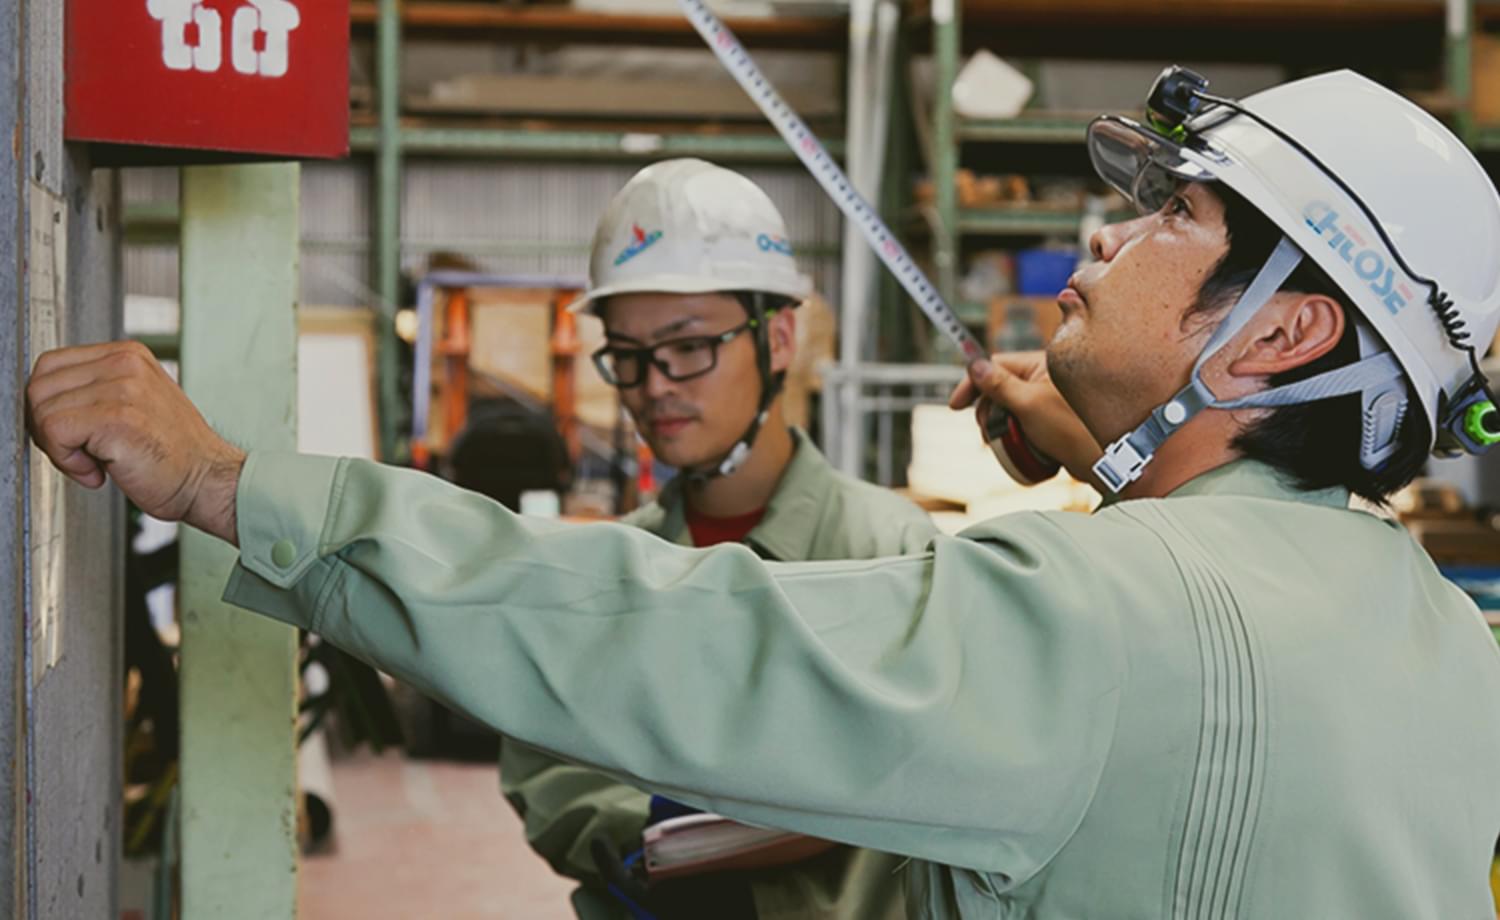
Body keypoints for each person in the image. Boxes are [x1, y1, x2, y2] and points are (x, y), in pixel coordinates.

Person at [27, 68, 1500, 918]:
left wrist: (226, 479)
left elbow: (650, 633)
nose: (1105, 237)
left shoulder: (1095, 615)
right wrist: (1121, 471)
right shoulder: (1444, 638)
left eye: (1175, 212)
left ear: (1285, 332)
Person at [499, 158, 935, 919]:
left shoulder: (893, 551)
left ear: (778, 339)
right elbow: (546, 766)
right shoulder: (611, 573)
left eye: (688, 346)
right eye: (628, 356)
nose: (655, 385)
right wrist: (650, 840)